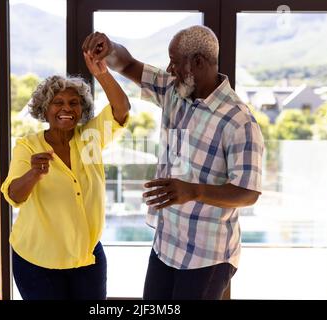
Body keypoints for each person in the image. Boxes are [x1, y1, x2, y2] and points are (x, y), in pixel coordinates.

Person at [82, 25, 264, 300]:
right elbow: (128, 64)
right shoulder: (174, 90)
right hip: (166, 243)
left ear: (198, 63)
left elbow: (248, 193)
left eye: (175, 62)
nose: (168, 69)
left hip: (207, 255)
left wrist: (194, 191)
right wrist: (109, 50)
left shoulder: (239, 122)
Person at [0, 52, 130, 300]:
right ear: (45, 108)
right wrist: (33, 174)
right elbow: (13, 195)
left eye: (74, 102)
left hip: (87, 257)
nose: (66, 108)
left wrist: (101, 74)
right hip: (37, 262)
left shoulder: (91, 137)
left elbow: (121, 109)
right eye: (57, 102)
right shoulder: (27, 146)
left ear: (82, 109)